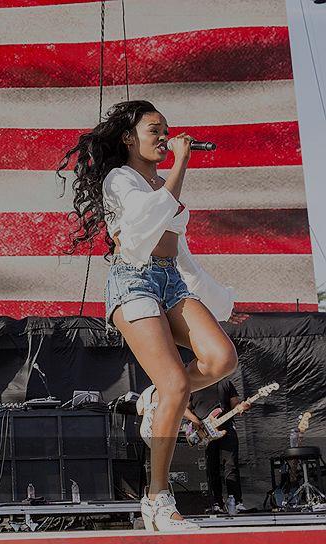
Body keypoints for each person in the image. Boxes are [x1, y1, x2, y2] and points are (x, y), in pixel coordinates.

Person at [57, 100, 248, 531]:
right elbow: (144, 225)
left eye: (167, 130)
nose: (164, 138)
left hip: (171, 280)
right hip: (133, 280)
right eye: (154, 130)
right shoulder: (119, 179)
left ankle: (155, 399)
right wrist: (181, 164)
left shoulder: (162, 182)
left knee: (222, 358)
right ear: (129, 138)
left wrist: (222, 302)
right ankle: (157, 498)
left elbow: (183, 256)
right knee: (177, 382)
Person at [184, 377, 251, 513]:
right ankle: (216, 503)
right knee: (211, 467)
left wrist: (242, 407)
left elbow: (235, 405)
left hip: (227, 428)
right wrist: (196, 421)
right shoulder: (194, 385)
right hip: (204, 432)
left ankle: (236, 502)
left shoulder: (225, 383)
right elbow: (184, 409)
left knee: (231, 465)